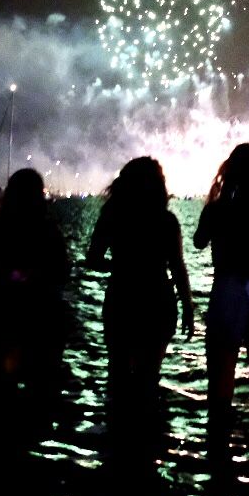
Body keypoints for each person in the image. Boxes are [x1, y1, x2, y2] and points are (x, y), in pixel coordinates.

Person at [87, 156, 194, 386]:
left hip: (121, 300)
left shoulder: (112, 215)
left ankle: (118, 419)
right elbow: (177, 266)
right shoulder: (166, 220)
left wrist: (120, 266)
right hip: (158, 302)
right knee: (149, 377)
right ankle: (149, 418)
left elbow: (93, 260)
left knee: (118, 374)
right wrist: (187, 306)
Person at [194, 143, 249, 422]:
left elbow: (198, 241)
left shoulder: (217, 211)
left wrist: (218, 202)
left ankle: (218, 453)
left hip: (227, 290)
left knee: (220, 384)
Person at [0, 168, 70, 381]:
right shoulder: (50, 231)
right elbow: (62, 273)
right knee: (40, 388)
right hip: (43, 319)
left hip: (3, 316)